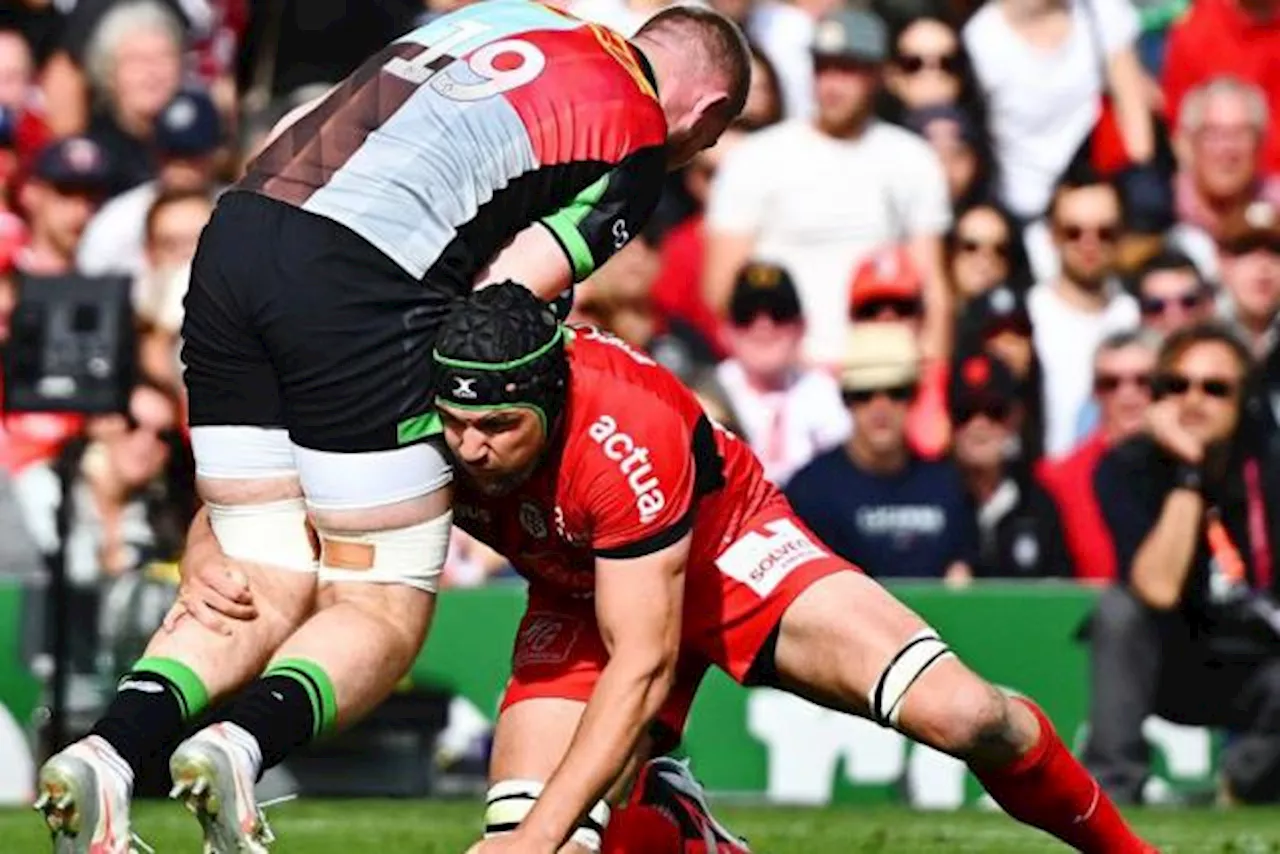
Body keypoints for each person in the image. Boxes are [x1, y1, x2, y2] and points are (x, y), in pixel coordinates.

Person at [34, 4, 751, 852]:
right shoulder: (632, 137)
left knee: (256, 565)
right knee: (381, 601)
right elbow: (500, 311)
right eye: (706, 142)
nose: (693, 155)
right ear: (704, 114)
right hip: (362, 277)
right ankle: (240, 745)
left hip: (240, 231)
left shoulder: (507, 15)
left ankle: (109, 755)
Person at [189, 283, 1156, 853]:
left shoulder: (625, 435)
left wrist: (538, 843)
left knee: (965, 716)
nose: (471, 449)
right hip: (577, 587)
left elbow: (643, 665)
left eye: (498, 427)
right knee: (533, 839)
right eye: (457, 424)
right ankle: (679, 828)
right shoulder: (410, 417)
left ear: (554, 396)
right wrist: (206, 550)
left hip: (729, 553)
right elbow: (261, 475)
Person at [1087, 322, 1280, 805]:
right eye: (1176, 386)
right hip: (1168, 662)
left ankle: (1241, 786)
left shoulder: (1270, 468)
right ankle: (1110, 797)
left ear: (1246, 401)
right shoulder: (1127, 466)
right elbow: (1156, 587)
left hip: (1256, 662)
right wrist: (1188, 473)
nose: (1193, 400)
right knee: (1118, 612)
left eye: (1215, 389)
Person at [787, 323, 977, 583]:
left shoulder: (948, 487)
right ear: (845, 400)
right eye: (863, 395)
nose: (880, 407)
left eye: (896, 392)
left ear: (915, 396)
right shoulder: (808, 492)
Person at [1027, 172, 1140, 457]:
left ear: (1123, 235)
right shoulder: (1027, 318)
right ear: (1052, 235)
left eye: (1105, 232)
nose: (1089, 243)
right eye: (1073, 232)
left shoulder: (1137, 316)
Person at [714, 261, 849, 486]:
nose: (763, 325)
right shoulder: (706, 393)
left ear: (802, 326)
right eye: (747, 315)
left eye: (779, 313)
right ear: (727, 329)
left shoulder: (824, 394)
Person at [1039, 330, 1159, 582]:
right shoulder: (1057, 478)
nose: (1128, 395)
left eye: (1143, 381)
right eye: (1110, 383)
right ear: (1094, 392)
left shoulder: (1187, 468)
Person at [950, 353, 1073, 579]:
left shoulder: (1038, 504)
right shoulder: (931, 500)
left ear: (1015, 418)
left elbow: (1059, 592)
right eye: (964, 412)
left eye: (995, 411)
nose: (979, 425)